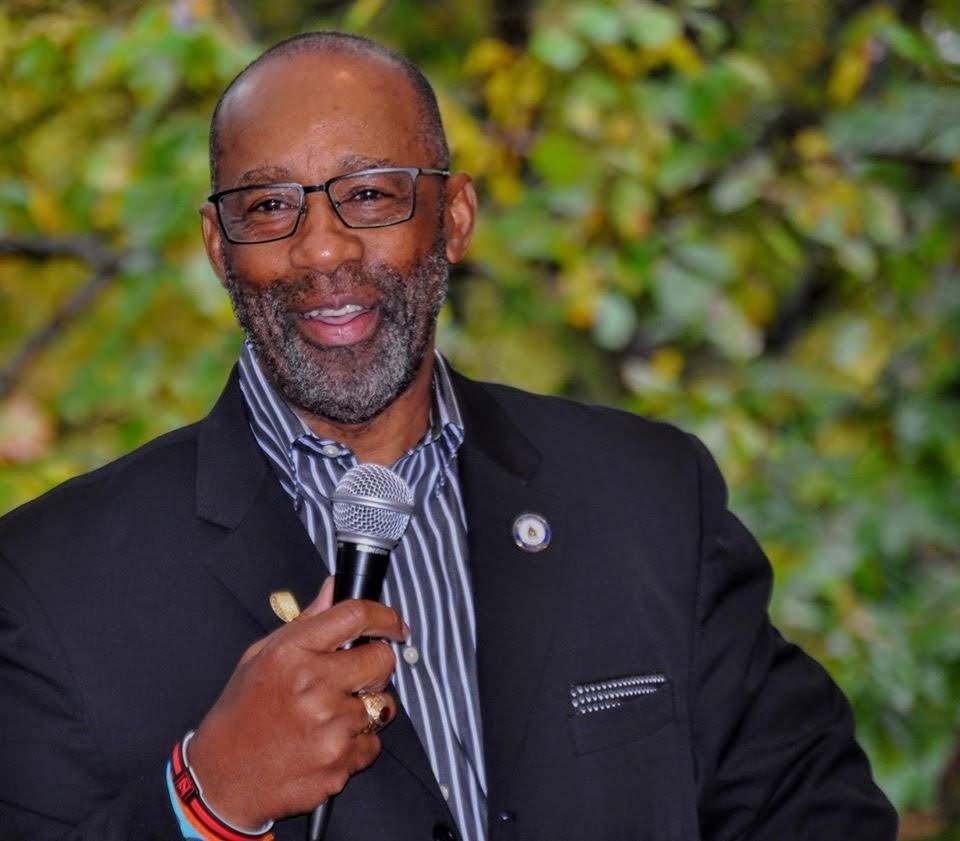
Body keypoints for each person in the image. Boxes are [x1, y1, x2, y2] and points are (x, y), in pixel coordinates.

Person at [0, 31, 897, 841]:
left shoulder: (648, 496)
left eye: (370, 195)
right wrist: (207, 798)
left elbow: (813, 809)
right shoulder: (46, 579)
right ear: (216, 244)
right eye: (269, 206)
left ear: (455, 217)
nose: (322, 249)